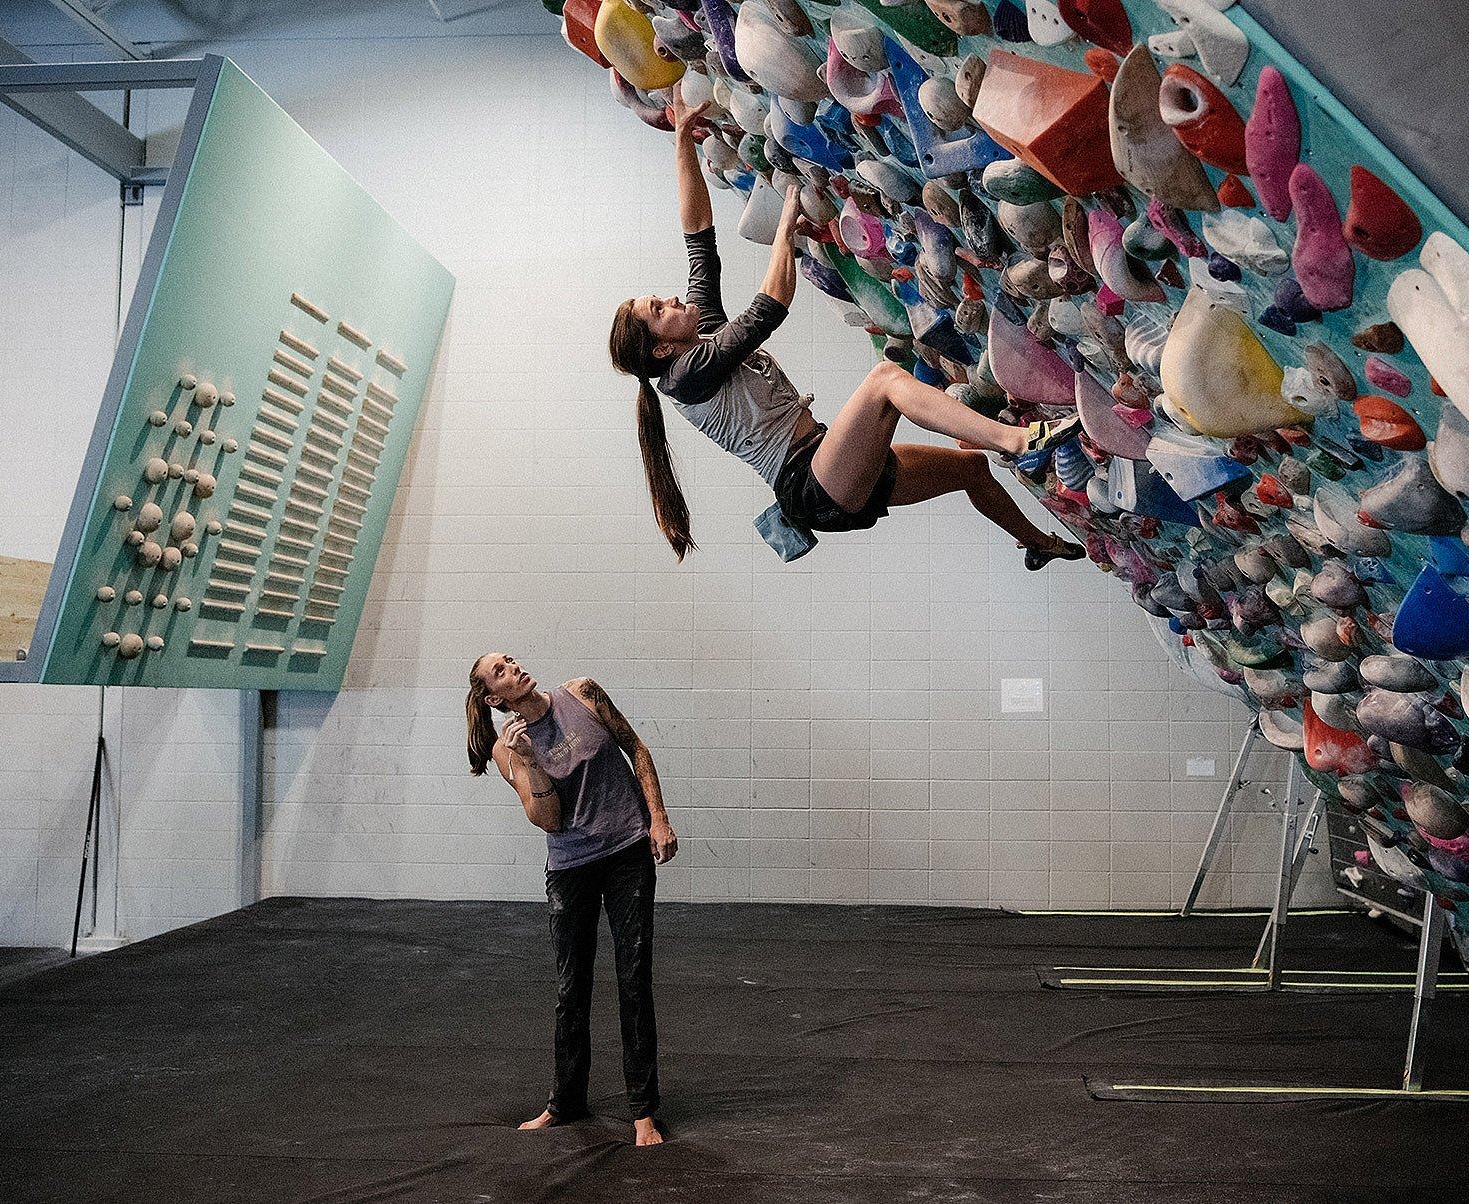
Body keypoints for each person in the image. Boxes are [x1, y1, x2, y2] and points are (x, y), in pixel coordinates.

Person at [607, 89, 1088, 567]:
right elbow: (769, 308)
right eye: (659, 309)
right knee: (884, 382)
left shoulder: (701, 336)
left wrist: (682, 144)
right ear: (662, 350)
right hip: (809, 484)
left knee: (972, 470)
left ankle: (1038, 544)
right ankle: (1021, 441)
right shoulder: (688, 374)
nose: (672, 299)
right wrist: (784, 228)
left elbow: (698, 239)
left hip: (827, 458)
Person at [466, 653, 679, 1147]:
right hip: (570, 867)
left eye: (509, 659)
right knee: (571, 989)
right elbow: (549, 820)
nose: (512, 666)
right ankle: (565, 1102)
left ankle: (644, 1110)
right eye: (500, 670)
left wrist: (659, 818)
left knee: (633, 978)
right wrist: (530, 761)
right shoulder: (508, 750)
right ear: (495, 698)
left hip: (627, 851)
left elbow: (636, 748)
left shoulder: (582, 692)